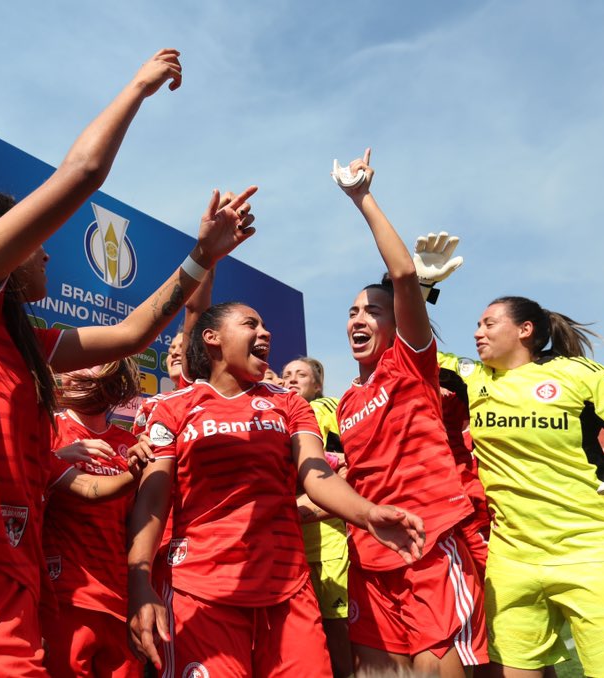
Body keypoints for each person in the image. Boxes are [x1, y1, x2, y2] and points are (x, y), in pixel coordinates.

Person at [0, 48, 263, 676]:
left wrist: (202, 256)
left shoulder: (20, 339)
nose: (46, 256)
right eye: (34, 245)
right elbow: (82, 173)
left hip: (7, 595)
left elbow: (135, 335)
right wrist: (138, 85)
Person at [127, 301, 425, 678]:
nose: (265, 332)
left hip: (289, 592)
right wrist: (138, 582)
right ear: (212, 337)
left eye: (266, 325)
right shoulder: (173, 406)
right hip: (199, 594)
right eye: (251, 323)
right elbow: (151, 502)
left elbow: (317, 476)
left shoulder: (288, 403)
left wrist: (367, 513)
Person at [437, 296, 604, 677]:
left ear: (524, 330)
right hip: (511, 563)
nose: (476, 332)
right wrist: (417, 286)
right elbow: (410, 343)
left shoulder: (583, 374)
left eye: (487, 323)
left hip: (594, 554)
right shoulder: (473, 376)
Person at [332, 150, 487, 676]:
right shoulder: (346, 401)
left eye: (372, 310)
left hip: (429, 539)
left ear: (395, 322)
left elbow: (402, 275)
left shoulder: (409, 362)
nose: (358, 318)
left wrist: (362, 198)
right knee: (375, 670)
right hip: (370, 549)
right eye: (351, 311)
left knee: (434, 666)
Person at [43, 359, 146, 678]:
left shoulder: (131, 445)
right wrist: (57, 458)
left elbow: (139, 527)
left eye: (92, 365)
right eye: (79, 364)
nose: (75, 372)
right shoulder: (49, 429)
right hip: (66, 597)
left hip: (121, 601)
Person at [282, 357, 352, 678]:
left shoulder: (326, 409)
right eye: (286, 374)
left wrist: (300, 510)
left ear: (318, 385)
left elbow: (347, 471)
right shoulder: (273, 414)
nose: (292, 379)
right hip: (287, 551)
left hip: (328, 547)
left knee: (339, 640)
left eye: (301, 374)